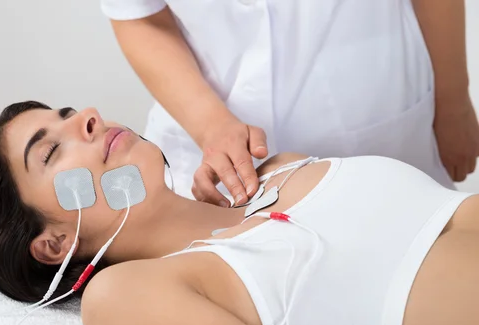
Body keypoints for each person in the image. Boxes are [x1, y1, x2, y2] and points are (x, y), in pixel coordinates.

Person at [0, 102, 479, 325]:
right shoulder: (126, 298)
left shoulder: (279, 167)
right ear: (54, 244)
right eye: (51, 150)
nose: (88, 118)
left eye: (68, 112)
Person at [100, 0, 479, 206]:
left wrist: (454, 101)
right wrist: (209, 123)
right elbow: (138, 14)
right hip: (213, 159)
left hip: (380, 124)